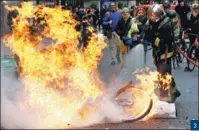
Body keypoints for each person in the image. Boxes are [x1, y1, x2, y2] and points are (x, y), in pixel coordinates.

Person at [146, 4, 181, 103]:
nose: (153, 19)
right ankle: (173, 90)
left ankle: (165, 95)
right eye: (151, 16)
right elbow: (147, 33)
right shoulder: (150, 22)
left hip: (166, 50)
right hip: (157, 50)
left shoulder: (166, 24)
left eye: (154, 17)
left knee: (164, 72)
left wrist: (155, 39)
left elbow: (166, 40)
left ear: (160, 16)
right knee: (162, 71)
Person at [184, 1, 199, 71]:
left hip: (198, 34)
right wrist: (186, 29)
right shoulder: (189, 15)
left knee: (197, 49)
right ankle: (188, 66)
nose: (195, 10)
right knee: (189, 51)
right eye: (194, 9)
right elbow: (187, 24)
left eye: (197, 9)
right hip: (192, 34)